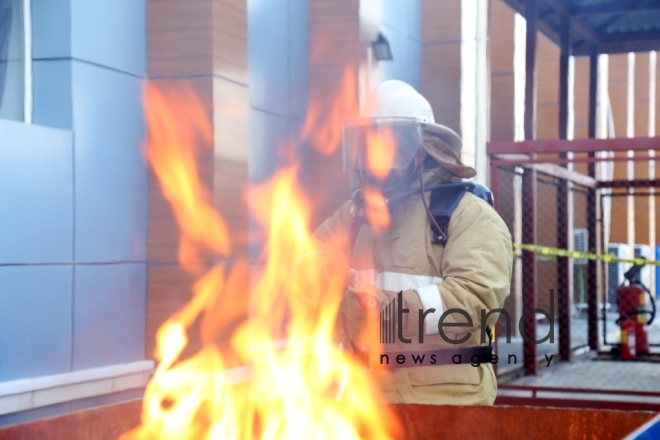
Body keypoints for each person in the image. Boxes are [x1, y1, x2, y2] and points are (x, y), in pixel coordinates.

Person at [312, 80, 513, 405]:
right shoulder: (355, 214)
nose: (371, 157)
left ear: (420, 151)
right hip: (368, 403)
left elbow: (471, 305)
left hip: (446, 407)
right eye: (366, 145)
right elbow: (306, 261)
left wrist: (374, 311)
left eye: (384, 145)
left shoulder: (469, 217)